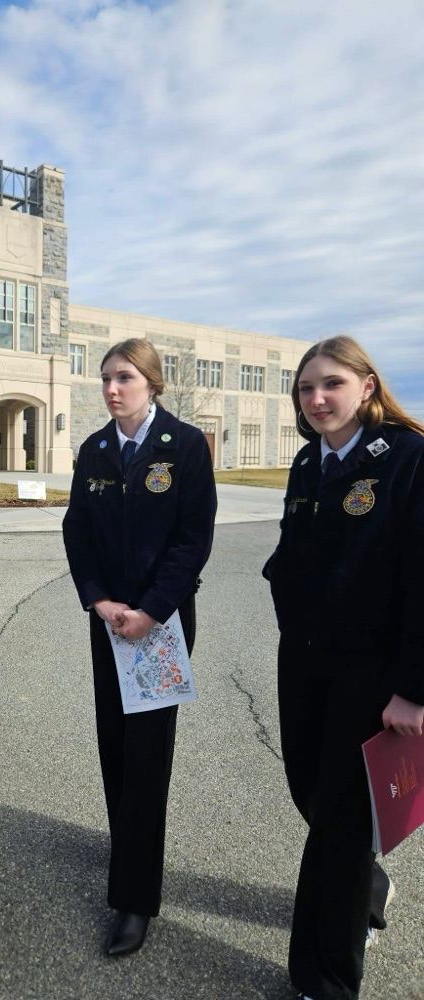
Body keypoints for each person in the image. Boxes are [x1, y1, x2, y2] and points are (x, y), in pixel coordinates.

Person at [263, 335, 424, 1000]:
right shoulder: (308, 463)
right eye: (306, 388)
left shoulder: (409, 459)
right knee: (311, 792)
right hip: (303, 661)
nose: (317, 398)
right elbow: (291, 551)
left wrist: (414, 689)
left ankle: (325, 981)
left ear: (366, 386)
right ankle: (366, 883)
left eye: (331, 383)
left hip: (372, 671)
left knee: (339, 822)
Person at [62, 338, 217, 956]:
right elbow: (78, 530)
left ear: (152, 382)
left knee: (148, 754)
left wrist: (151, 610)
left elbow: (192, 537)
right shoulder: (95, 450)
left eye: (124, 377)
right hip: (110, 621)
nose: (111, 388)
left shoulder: (184, 447)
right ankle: (127, 842)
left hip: (160, 625)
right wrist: (99, 600)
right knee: (114, 741)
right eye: (105, 378)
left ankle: (133, 897)